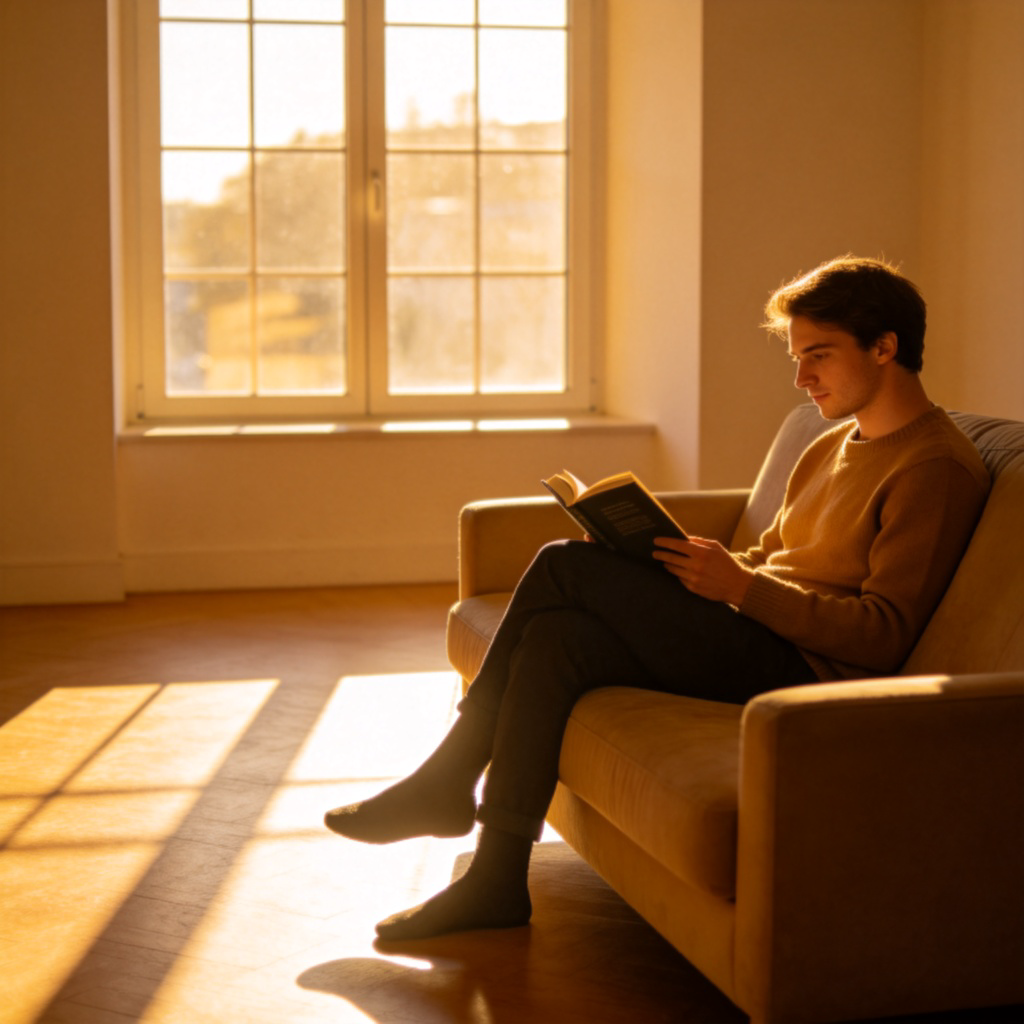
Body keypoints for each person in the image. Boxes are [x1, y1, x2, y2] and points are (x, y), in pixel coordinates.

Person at [324, 255, 990, 942]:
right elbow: (777, 560)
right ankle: (495, 880)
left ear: (885, 348)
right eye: (796, 358)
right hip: (756, 632)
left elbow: (885, 634)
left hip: (811, 673)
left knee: (565, 566)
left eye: (817, 355)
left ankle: (451, 771)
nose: (800, 378)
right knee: (557, 640)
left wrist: (742, 588)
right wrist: (704, 570)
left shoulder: (934, 468)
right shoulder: (829, 446)